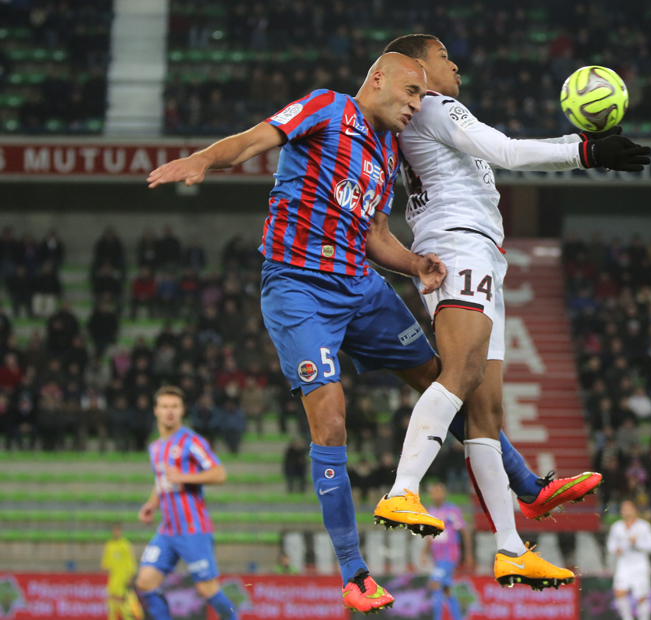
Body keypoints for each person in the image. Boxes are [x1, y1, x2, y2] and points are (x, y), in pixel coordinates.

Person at [147, 52, 437, 614]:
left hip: (360, 285)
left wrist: (414, 265)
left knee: (440, 380)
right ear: (377, 79)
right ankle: (354, 574)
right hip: (298, 286)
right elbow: (254, 140)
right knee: (331, 420)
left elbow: (375, 232)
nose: (416, 105)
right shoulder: (326, 108)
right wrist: (204, 158)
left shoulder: (386, 150)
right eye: (411, 91)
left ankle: (525, 485)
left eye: (422, 97)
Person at [374, 34, 648, 589]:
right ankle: (403, 489)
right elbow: (505, 151)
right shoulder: (434, 106)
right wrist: (585, 153)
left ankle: (509, 547)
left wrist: (583, 147)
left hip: (476, 249)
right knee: (460, 376)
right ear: (417, 67)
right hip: (459, 244)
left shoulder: (422, 118)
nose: (456, 66)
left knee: (486, 412)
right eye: (445, 57)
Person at [134, 386, 238, 620]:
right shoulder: (155, 447)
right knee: (145, 582)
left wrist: (183, 477)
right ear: (156, 410)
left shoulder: (191, 442)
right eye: (165, 406)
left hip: (193, 527)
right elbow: (162, 480)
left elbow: (219, 473)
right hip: (168, 529)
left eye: (175, 406)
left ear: (182, 410)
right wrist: (151, 504)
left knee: (207, 589)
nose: (170, 411)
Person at [421, 482, 472, 620]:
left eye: (439, 492)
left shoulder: (451, 510)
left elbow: (464, 531)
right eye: (434, 492)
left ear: (444, 494)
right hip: (437, 557)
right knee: (446, 590)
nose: (436, 495)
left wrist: (468, 554)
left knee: (434, 583)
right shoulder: (430, 512)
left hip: (450, 555)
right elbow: (429, 536)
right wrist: (424, 553)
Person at [608, 500, 651, 620]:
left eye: (628, 509)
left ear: (634, 510)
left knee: (641, 596)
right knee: (619, 592)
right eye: (624, 509)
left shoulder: (644, 526)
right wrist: (616, 550)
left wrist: (637, 543)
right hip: (623, 563)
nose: (626, 512)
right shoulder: (617, 527)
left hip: (640, 564)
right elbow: (611, 545)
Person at [101, 524, 142, 620]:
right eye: (115, 531)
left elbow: (130, 560)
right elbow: (106, 561)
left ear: (121, 532)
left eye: (118, 531)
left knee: (122, 600)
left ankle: (128, 617)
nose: (116, 533)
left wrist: (130, 575)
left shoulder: (125, 544)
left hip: (123, 577)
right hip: (113, 577)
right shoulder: (110, 544)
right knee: (111, 600)